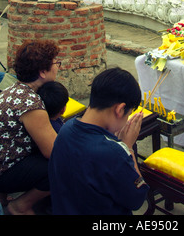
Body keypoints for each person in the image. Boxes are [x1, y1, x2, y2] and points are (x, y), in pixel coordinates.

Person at [49, 67, 149, 215]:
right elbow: (137, 199)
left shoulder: (66, 128)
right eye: (128, 114)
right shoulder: (113, 153)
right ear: (120, 110)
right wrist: (127, 147)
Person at [0, 39, 60, 215]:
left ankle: (1, 196)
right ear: (43, 72)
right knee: (60, 165)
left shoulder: (15, 89)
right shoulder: (30, 103)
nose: (58, 67)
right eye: (56, 63)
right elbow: (53, 150)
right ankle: (21, 206)